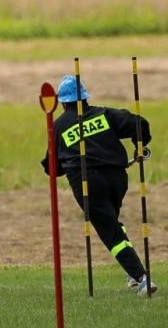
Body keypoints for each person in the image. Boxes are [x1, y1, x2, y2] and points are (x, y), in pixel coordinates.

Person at [40, 74, 157, 297]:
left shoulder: (58, 127)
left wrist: (66, 163)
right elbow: (139, 124)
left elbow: (52, 168)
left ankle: (142, 278)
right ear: (85, 97)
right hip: (117, 179)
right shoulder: (104, 114)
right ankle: (132, 274)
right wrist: (139, 146)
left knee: (109, 232)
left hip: (87, 184)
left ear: (63, 102)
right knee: (112, 223)